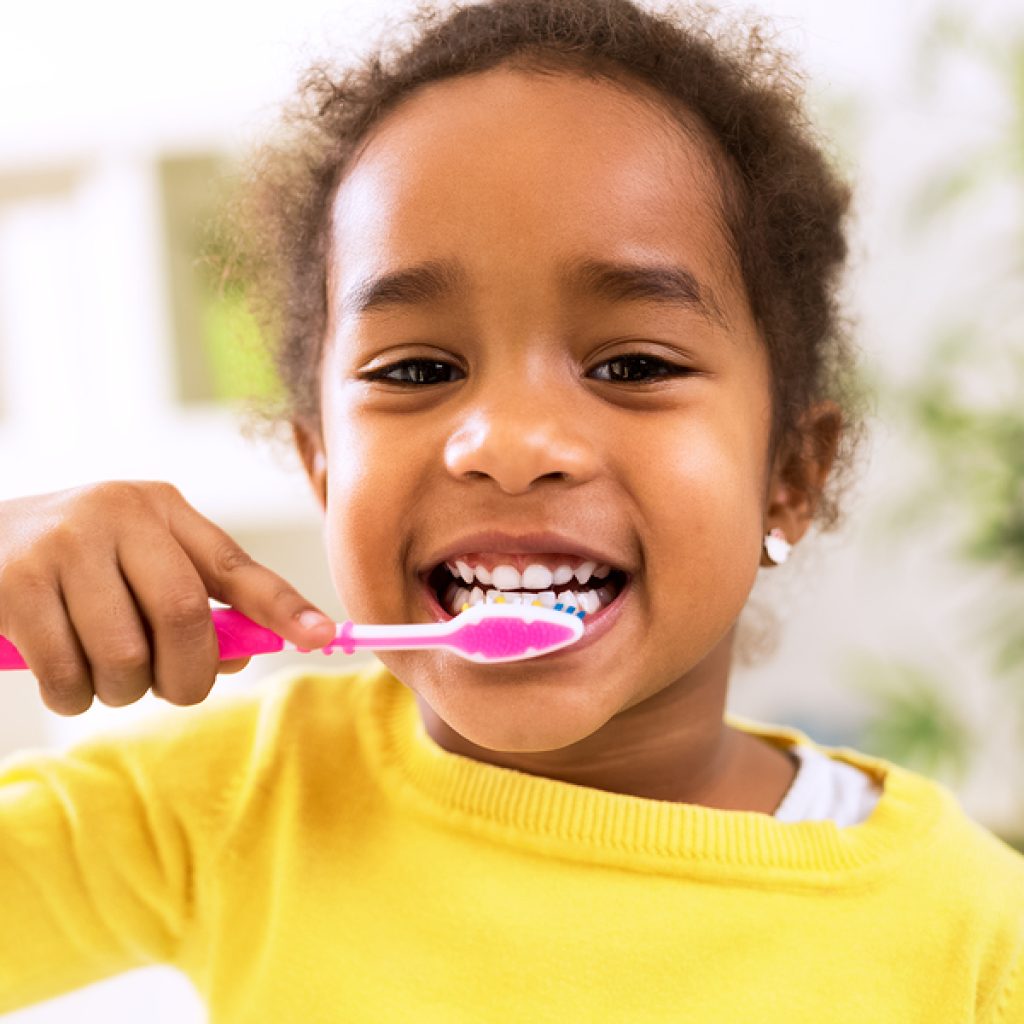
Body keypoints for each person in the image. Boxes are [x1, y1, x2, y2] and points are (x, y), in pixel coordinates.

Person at [2, 0, 1022, 1019]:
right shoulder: (234, 801)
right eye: (417, 368)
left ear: (789, 475)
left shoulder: (971, 939)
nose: (507, 443)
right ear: (321, 469)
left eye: (631, 364)